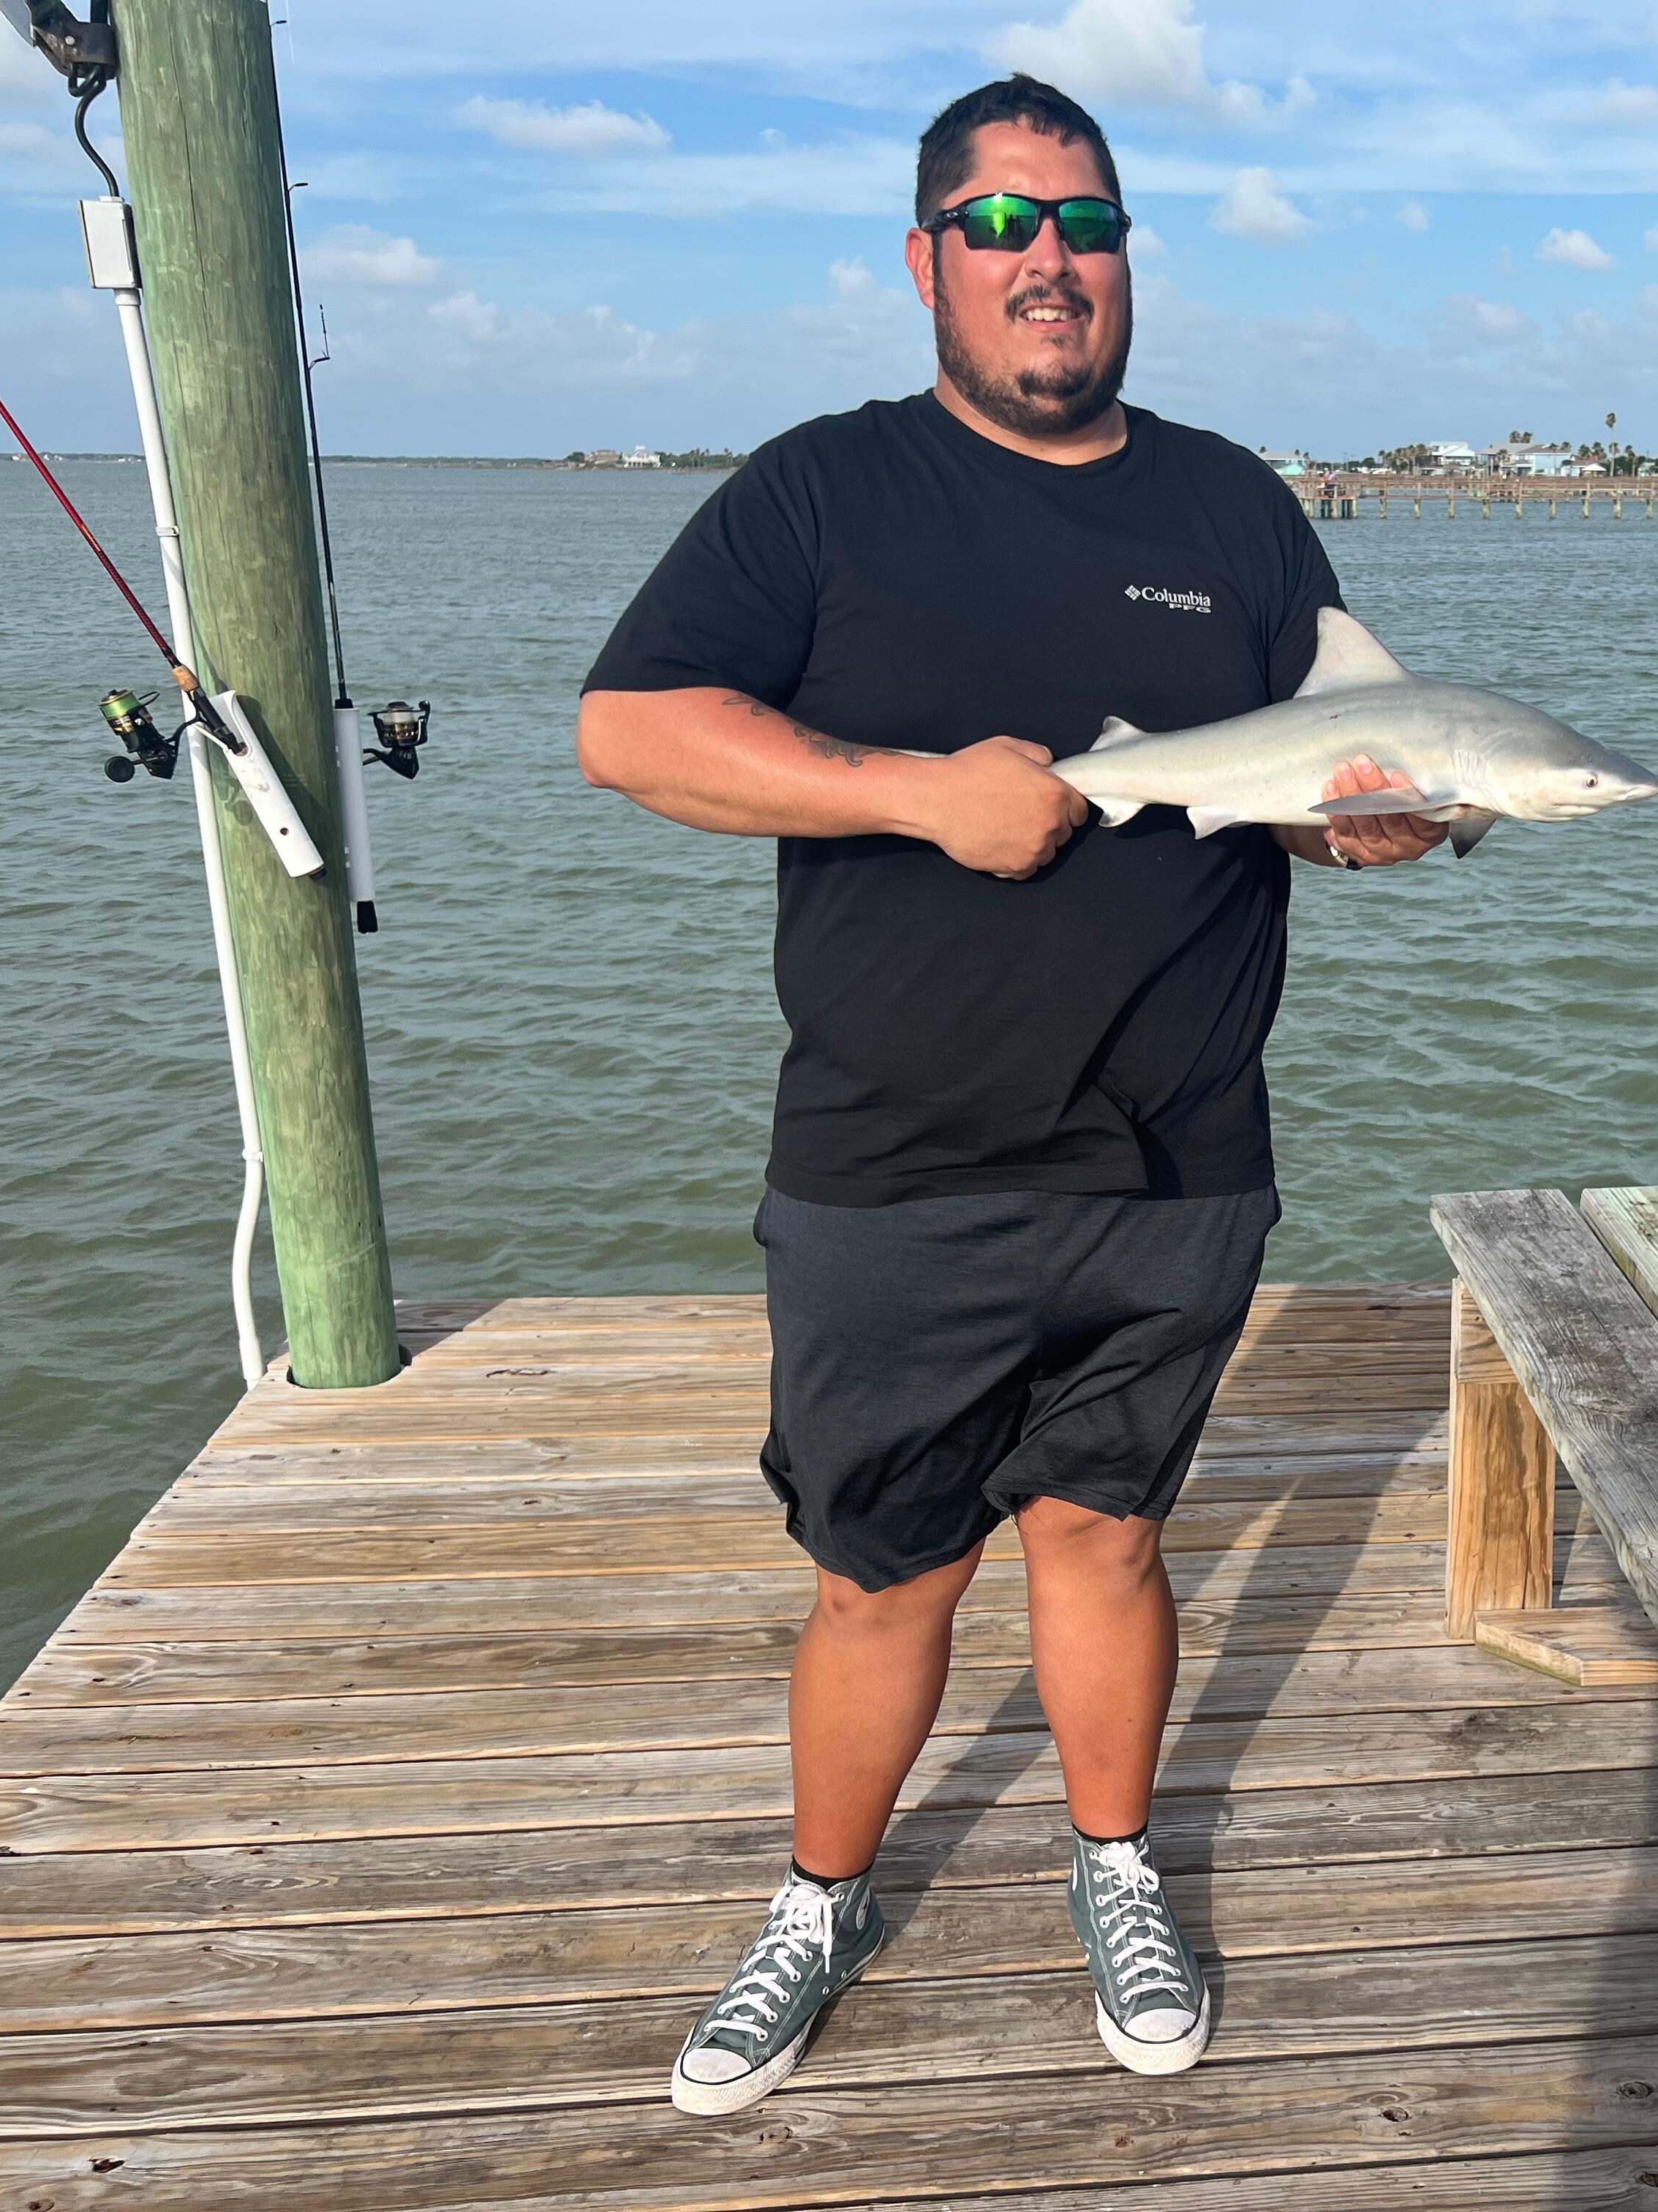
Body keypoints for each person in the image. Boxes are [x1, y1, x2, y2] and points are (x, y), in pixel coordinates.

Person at [576, 74, 1446, 2115]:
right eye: (999, 226)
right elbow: (633, 733)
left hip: (1174, 1161)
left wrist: (1372, 827)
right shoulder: (819, 495)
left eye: (1085, 223)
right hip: (894, 1166)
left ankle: (1117, 1863)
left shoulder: (1236, 506)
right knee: (884, 1573)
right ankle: (818, 1900)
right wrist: (909, 794)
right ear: (928, 264)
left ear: (1129, 257)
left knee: (1110, 1538)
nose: (1046, 260)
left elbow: (1329, 771)